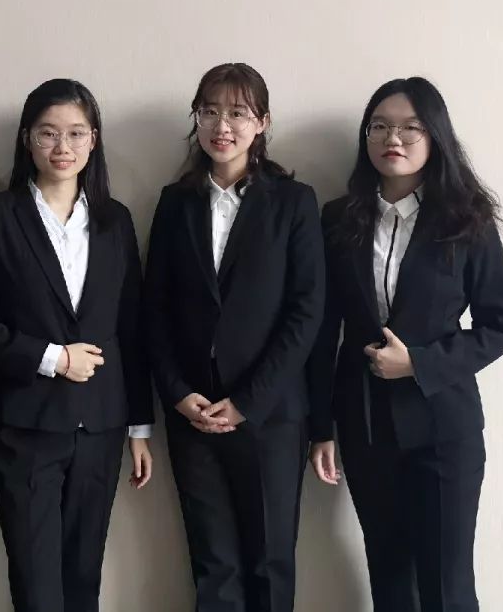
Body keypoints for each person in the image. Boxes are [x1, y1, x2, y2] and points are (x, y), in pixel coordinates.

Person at [308, 76, 503, 612]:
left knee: (447, 588)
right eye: (379, 126)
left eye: (409, 128)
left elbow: (500, 326)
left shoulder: (467, 219)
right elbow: (322, 328)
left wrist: (419, 364)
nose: (392, 139)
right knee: (390, 581)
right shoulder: (339, 218)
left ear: (435, 136)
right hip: (365, 426)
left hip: (444, 430)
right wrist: (321, 426)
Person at [0, 78, 153, 612]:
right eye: (47, 133)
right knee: (36, 585)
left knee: (83, 578)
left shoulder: (115, 221)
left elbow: (132, 328)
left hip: (102, 425)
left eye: (76, 133)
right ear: (27, 139)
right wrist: (51, 360)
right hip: (24, 424)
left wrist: (139, 426)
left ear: (94, 140)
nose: (62, 146)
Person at [143, 62, 324, 612]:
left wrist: (247, 401)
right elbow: (155, 311)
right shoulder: (175, 202)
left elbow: (306, 312)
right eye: (210, 111)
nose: (222, 125)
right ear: (196, 119)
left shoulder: (293, 202)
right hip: (193, 414)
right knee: (213, 566)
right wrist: (178, 393)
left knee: (270, 562)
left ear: (262, 122)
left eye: (238, 113)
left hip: (269, 415)